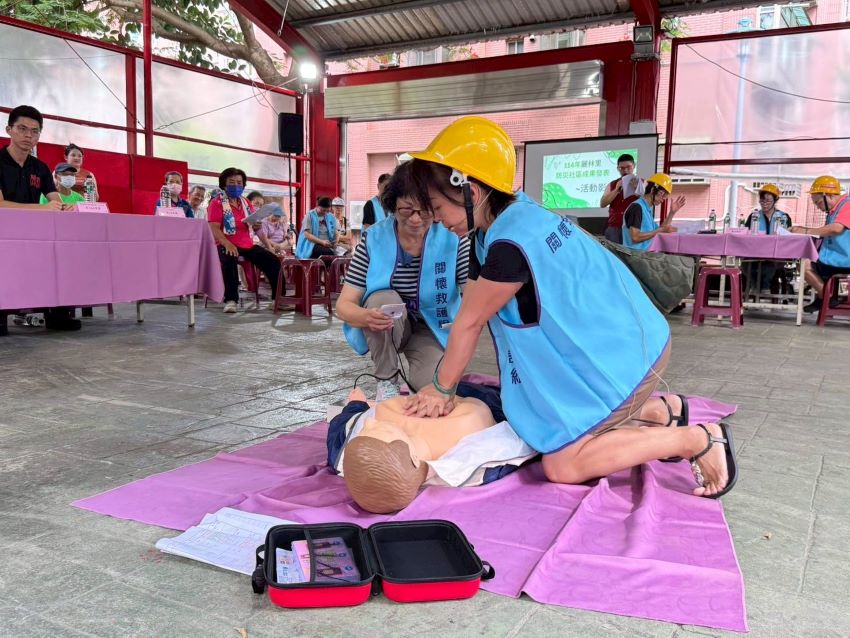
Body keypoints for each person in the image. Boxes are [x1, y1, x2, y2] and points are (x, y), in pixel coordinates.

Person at [401, 116, 736, 499]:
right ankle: (662, 412)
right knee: (541, 419)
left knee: (563, 463)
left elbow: (470, 322)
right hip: (626, 343)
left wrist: (441, 389)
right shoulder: (512, 222)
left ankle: (697, 439)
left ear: (470, 192)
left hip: (624, 360)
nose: (437, 220)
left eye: (437, 207)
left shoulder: (511, 244)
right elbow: (471, 309)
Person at [335, 161, 470, 400]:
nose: (416, 220)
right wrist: (366, 317)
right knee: (381, 299)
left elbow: (473, 297)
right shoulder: (373, 239)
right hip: (390, 328)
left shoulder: (454, 240)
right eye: (407, 210)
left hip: (433, 328)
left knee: (433, 391)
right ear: (392, 205)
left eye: (425, 211)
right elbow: (344, 306)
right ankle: (386, 382)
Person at [0, 105, 79, 332]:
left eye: (35, 131)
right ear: (9, 130)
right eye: (22, 129)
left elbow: (55, 200)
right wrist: (42, 209)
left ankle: (57, 312)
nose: (28, 135)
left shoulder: (41, 168)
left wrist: (66, 207)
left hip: (35, 233)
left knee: (59, 254)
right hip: (4, 232)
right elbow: (1, 205)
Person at [206, 167, 283, 313]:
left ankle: (279, 298)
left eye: (239, 183)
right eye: (232, 182)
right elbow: (214, 228)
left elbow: (256, 226)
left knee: (272, 260)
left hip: (246, 244)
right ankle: (231, 300)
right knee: (229, 258)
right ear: (224, 184)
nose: (236, 186)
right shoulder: (216, 203)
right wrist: (227, 243)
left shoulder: (246, 202)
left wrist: (268, 245)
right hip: (224, 243)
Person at [790, 176, 850, 312]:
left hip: (843, 260)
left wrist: (804, 230)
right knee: (808, 261)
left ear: (827, 195)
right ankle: (824, 297)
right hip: (836, 258)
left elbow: (835, 229)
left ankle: (826, 298)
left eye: (818, 203)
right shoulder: (834, 210)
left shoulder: (847, 204)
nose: (818, 207)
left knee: (804, 264)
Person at [743, 184, 792, 293]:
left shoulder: (784, 217)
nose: (764, 204)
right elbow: (745, 233)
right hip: (755, 252)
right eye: (762, 201)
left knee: (769, 263)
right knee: (745, 263)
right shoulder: (754, 216)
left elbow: (788, 236)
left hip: (776, 253)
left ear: (775, 201)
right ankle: (755, 288)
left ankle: (764, 290)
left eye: (768, 201)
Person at [622, 173, 686, 251]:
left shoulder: (646, 209)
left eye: (665, 197)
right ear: (652, 190)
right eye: (662, 194)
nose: (663, 199)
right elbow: (635, 237)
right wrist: (660, 230)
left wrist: (672, 213)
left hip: (646, 254)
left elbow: (661, 230)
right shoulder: (637, 207)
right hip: (636, 256)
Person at [599, 153, 644, 244]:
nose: (625, 170)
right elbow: (602, 203)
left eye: (628, 167)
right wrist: (616, 190)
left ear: (634, 166)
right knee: (613, 255)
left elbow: (648, 204)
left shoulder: (642, 183)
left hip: (634, 228)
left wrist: (637, 189)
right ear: (618, 168)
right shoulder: (613, 184)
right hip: (614, 227)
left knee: (631, 255)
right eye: (622, 168)